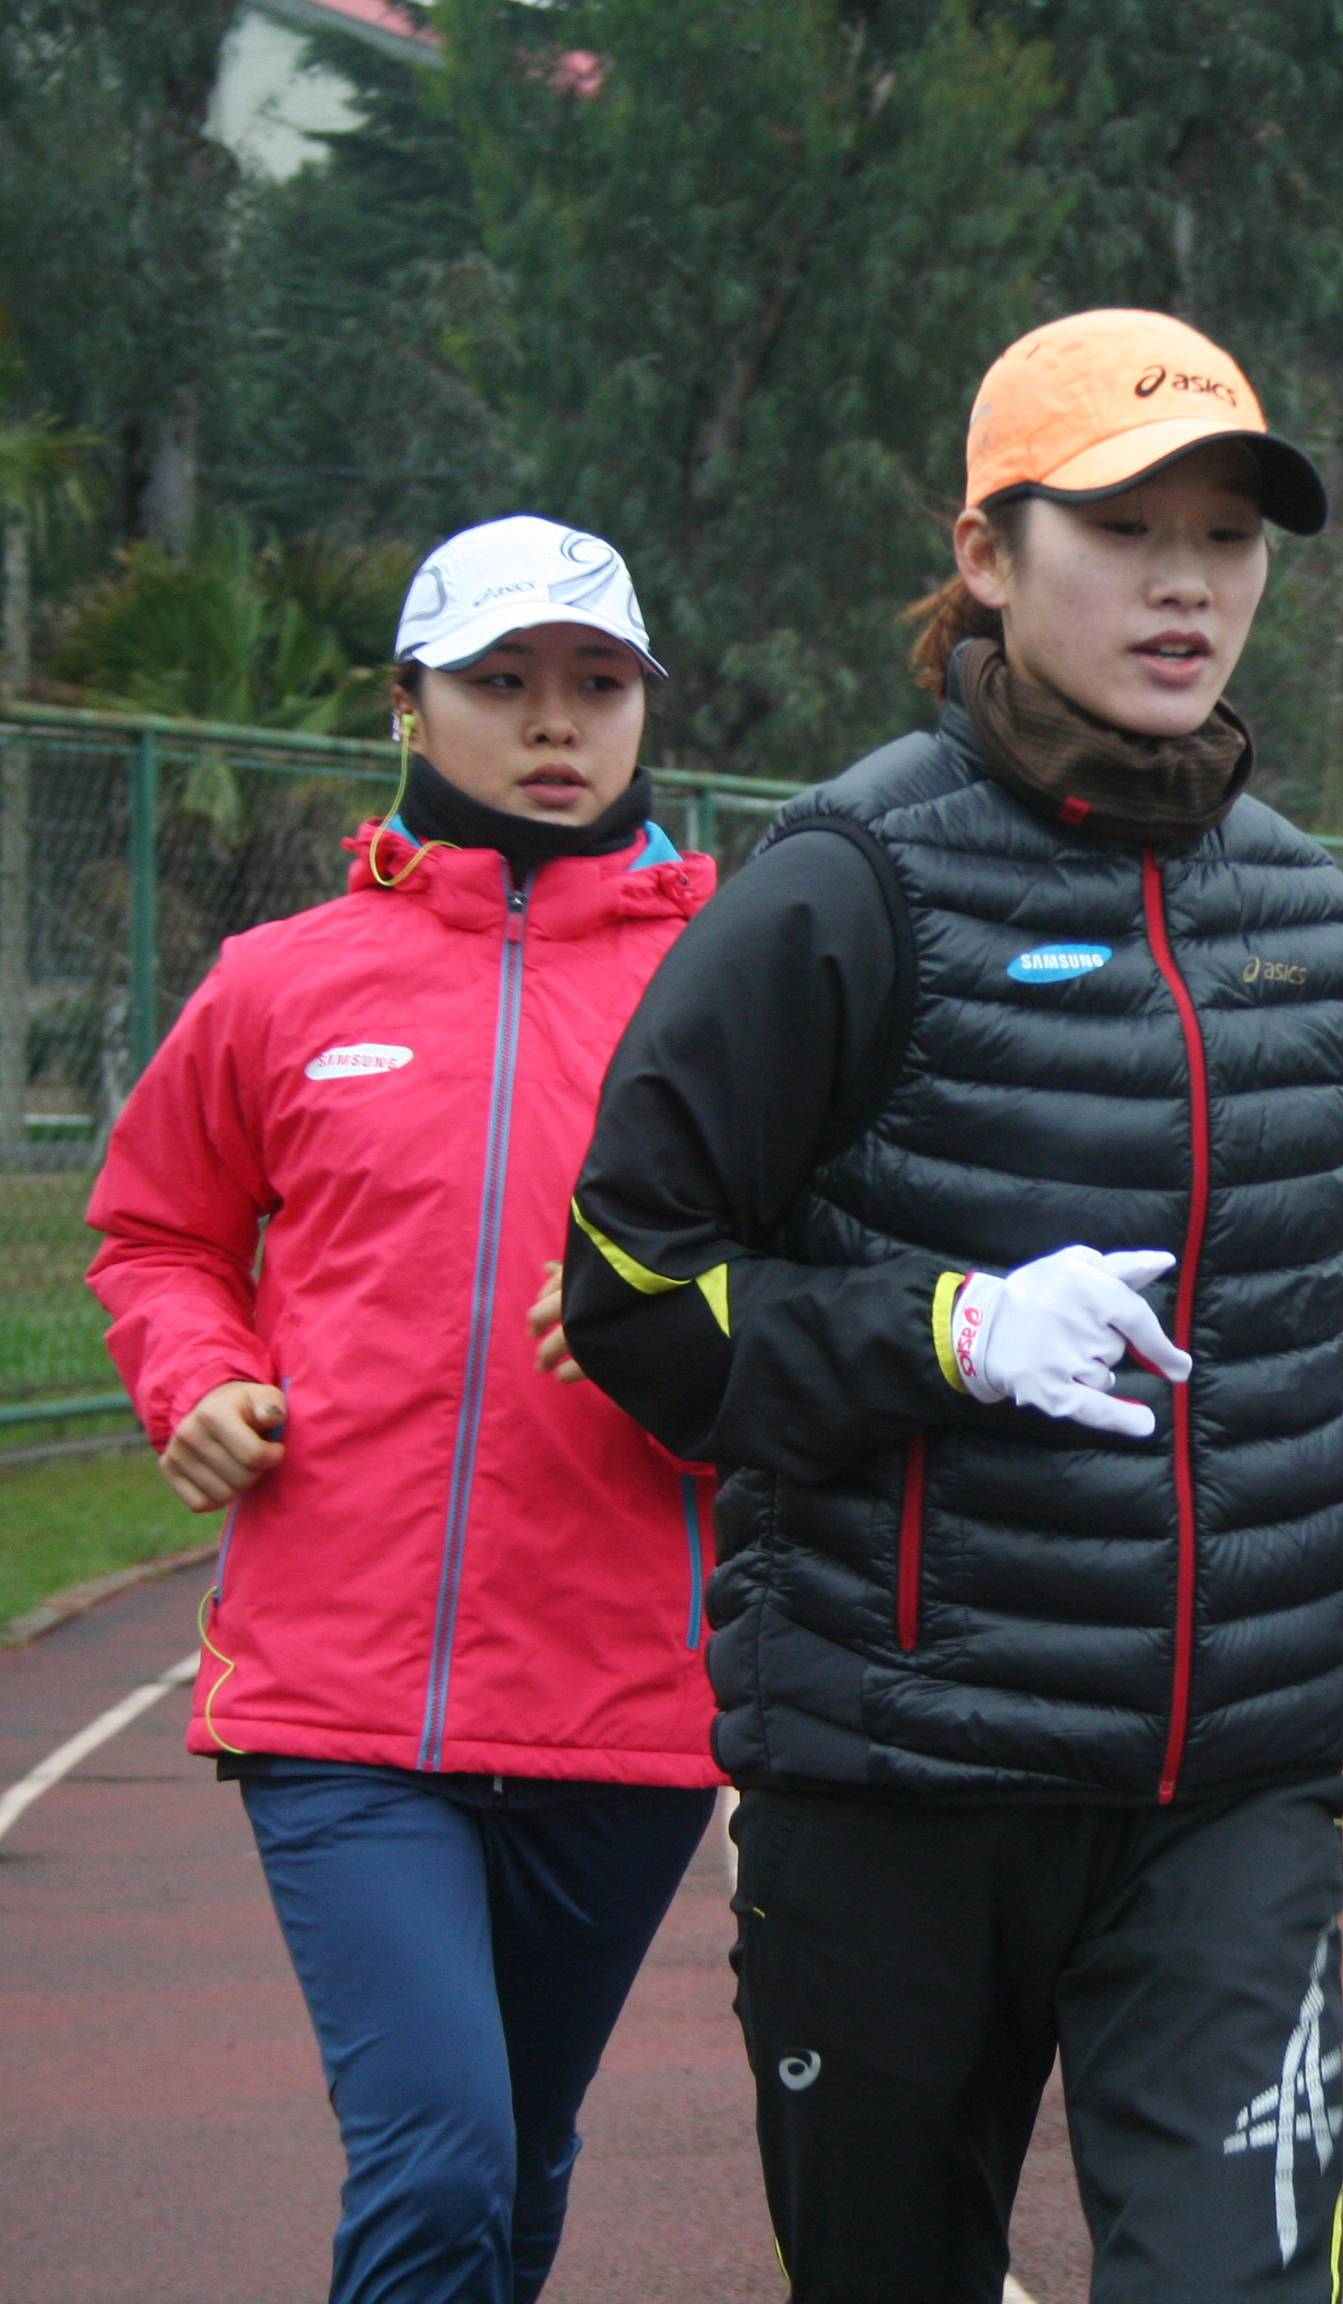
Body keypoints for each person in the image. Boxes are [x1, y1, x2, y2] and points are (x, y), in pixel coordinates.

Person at [554, 309, 1343, 2304]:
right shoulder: (846, 886)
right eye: (1125, 527)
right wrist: (940, 1329)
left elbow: (1304, 1273)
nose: (1189, 579)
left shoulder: (1315, 921)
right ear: (987, 551)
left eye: (1230, 532)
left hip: (1235, 1780)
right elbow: (631, 1296)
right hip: (895, 1776)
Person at [84, 515, 722, 2304]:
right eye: (501, 682)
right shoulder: (279, 983)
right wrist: (197, 1376)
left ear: (644, 710)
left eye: (596, 685)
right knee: (438, 2151)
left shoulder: (731, 980)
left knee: (517, 2153)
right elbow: (155, 1234)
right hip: (342, 1696)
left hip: (629, 1688)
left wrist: (694, 1335)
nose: (553, 722)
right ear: (407, 708)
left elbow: (818, 1268)